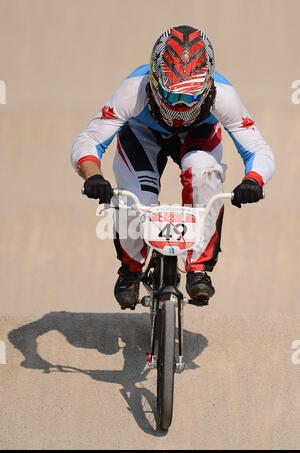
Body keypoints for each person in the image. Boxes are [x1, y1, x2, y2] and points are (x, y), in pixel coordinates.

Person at [71, 25, 274, 309]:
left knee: (204, 175)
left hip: (198, 134)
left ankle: (198, 268)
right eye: (172, 95)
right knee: (136, 199)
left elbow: (258, 149)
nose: (180, 106)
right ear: (154, 80)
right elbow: (90, 139)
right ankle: (130, 268)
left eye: (190, 96)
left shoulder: (224, 94)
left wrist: (253, 180)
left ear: (208, 86)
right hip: (143, 133)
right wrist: (94, 176)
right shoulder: (133, 89)